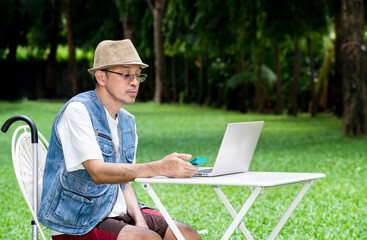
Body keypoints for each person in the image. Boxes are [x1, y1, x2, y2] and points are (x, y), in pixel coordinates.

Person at [38, 39, 201, 240]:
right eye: (126, 75)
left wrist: (139, 218)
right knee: (147, 239)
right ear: (101, 77)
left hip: (120, 212)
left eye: (137, 75)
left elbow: (125, 181)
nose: (134, 82)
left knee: (186, 234)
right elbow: (98, 172)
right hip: (79, 220)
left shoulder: (127, 121)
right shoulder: (78, 111)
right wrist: (159, 167)